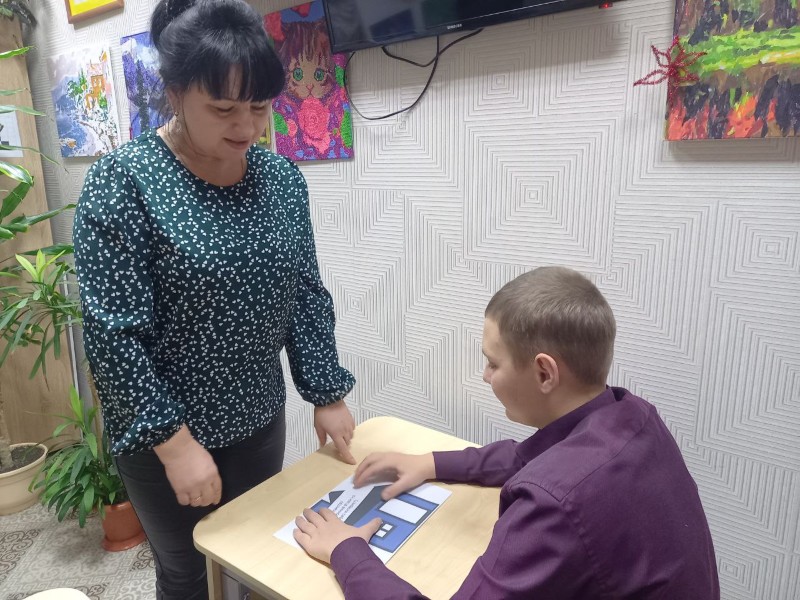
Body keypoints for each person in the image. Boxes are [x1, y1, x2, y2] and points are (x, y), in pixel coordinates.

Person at [73, 0, 356, 598]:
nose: (247, 127)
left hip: (257, 416)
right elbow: (112, 335)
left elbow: (304, 293)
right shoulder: (124, 183)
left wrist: (326, 391)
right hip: (163, 435)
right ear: (175, 93)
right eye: (224, 109)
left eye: (259, 107)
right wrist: (175, 446)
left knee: (252, 560)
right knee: (188, 575)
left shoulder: (281, 180)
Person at [293, 266, 721, 599]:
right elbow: (529, 457)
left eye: (493, 363)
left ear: (544, 372)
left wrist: (347, 551)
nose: (485, 376)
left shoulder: (552, 505)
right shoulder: (633, 416)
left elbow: (551, 484)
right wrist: (431, 462)